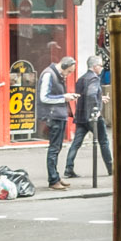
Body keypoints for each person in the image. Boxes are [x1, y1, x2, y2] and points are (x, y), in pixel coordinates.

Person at [65, 54, 114, 179]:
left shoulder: (81, 79)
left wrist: (99, 98)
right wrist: (96, 109)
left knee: (76, 143)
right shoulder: (94, 79)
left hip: (81, 116)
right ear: (95, 66)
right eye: (101, 65)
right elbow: (91, 94)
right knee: (104, 142)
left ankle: (68, 168)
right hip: (92, 117)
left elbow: (85, 95)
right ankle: (111, 168)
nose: (102, 68)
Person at [39, 55, 80, 190]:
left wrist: (66, 97)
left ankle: (55, 176)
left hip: (57, 116)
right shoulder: (49, 74)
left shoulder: (55, 74)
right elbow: (44, 97)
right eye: (68, 71)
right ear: (63, 66)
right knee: (54, 149)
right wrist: (64, 97)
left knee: (56, 148)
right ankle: (53, 180)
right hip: (53, 117)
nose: (68, 75)